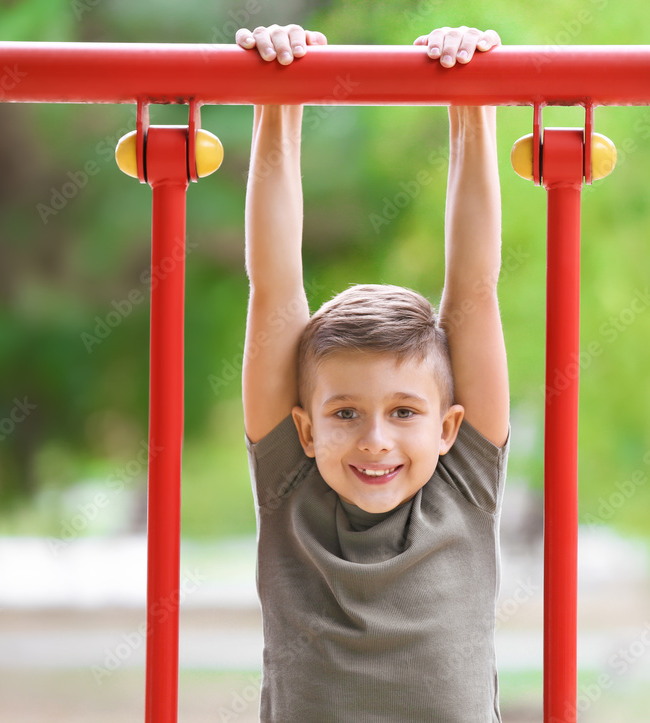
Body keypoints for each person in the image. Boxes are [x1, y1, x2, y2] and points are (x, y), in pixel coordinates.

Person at [237, 23, 510, 721]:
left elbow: (475, 286)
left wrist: (472, 105)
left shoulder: (464, 484)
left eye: (405, 412)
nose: (375, 439)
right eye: (345, 412)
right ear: (304, 424)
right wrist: (280, 100)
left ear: (451, 425)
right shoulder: (291, 480)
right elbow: (273, 285)